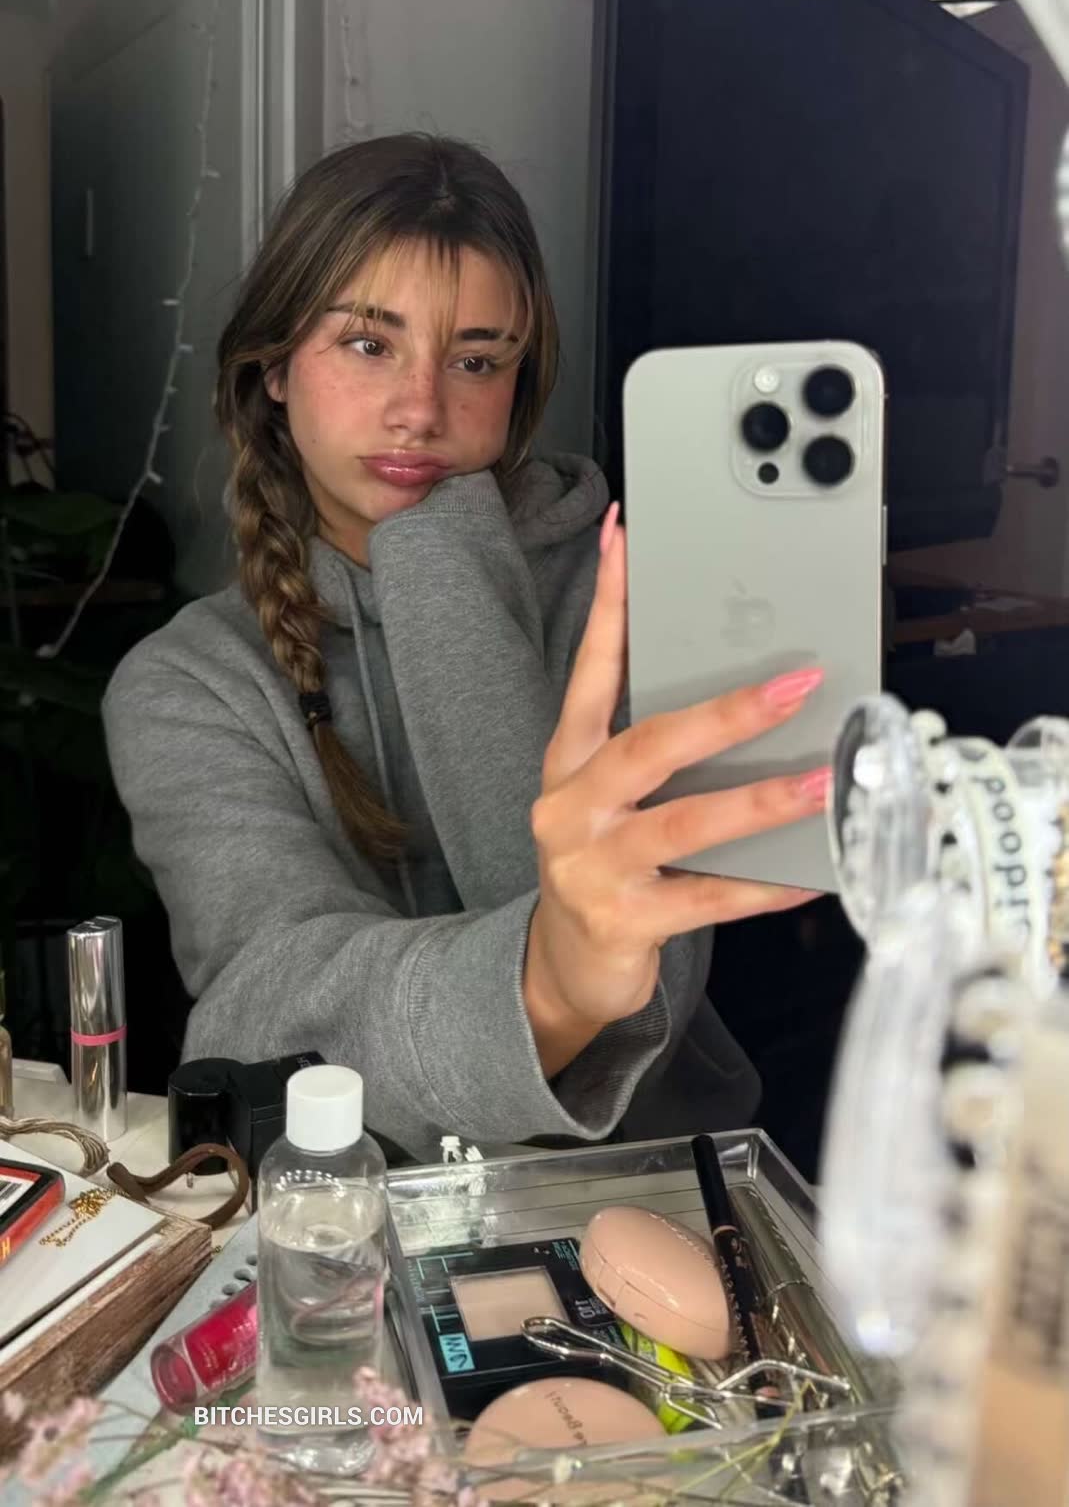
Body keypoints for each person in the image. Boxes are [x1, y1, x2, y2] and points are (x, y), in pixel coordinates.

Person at [104, 135, 827, 1161]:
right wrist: (543, 981)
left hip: (653, 1177)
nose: (421, 409)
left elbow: (644, 996)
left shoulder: (625, 599)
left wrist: (439, 555)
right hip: (342, 1202)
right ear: (273, 367)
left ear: (517, 386)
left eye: (476, 360)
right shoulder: (188, 684)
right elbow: (271, 1012)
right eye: (368, 344)